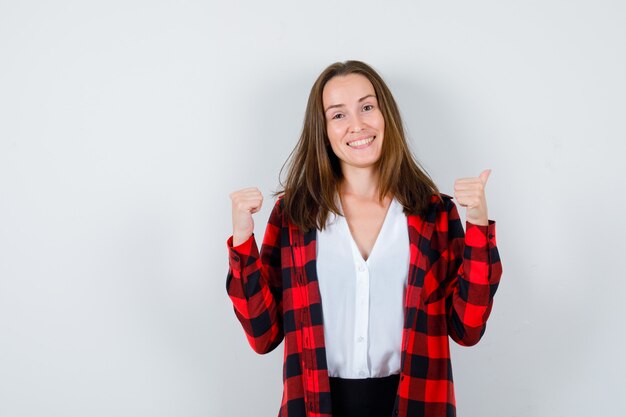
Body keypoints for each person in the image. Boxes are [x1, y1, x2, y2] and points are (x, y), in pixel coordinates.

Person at [226, 60, 502, 417]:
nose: (357, 125)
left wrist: (478, 225)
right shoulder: (295, 215)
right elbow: (263, 334)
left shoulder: (434, 215)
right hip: (315, 406)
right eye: (338, 115)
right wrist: (243, 238)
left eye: (367, 107)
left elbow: (468, 328)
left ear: (385, 115)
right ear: (322, 130)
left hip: (415, 404)